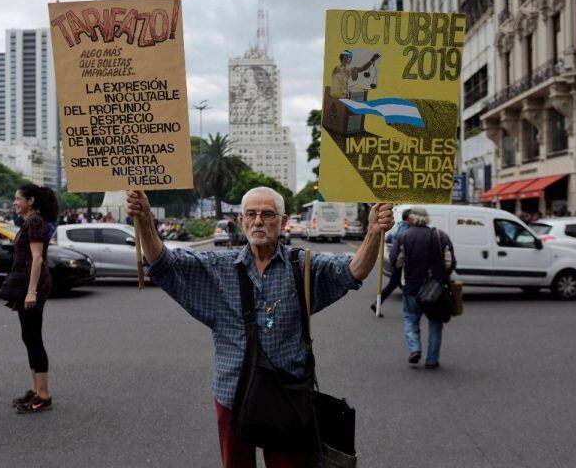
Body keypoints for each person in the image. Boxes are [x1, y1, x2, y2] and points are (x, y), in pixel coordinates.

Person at [126, 186, 393, 467]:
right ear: (241, 221)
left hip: (287, 396)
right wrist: (144, 219)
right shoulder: (219, 267)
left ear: (283, 220)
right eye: (250, 214)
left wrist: (374, 231)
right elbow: (164, 264)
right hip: (233, 395)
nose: (258, 221)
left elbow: (355, 270)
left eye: (267, 214)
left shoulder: (303, 267)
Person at [8, 184, 58, 414]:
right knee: (28, 337)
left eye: (18, 199)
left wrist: (31, 291)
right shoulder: (29, 221)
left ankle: (44, 395)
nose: (15, 202)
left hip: (34, 285)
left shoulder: (35, 222)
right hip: (27, 283)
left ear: (31, 201)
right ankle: (35, 389)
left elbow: (37, 258)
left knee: (34, 338)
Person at [390, 207, 456, 370]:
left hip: (411, 285)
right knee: (435, 322)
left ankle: (415, 349)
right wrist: (440, 276)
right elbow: (450, 262)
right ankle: (432, 360)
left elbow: (396, 261)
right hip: (434, 289)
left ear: (411, 219)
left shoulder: (403, 236)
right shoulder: (439, 235)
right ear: (426, 218)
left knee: (411, 318)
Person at [371, 208, 412, 317]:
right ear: (408, 218)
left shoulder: (398, 227)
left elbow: (388, 239)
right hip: (402, 262)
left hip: (395, 260)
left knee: (395, 285)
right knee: (404, 285)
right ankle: (411, 309)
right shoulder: (406, 230)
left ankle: (377, 303)